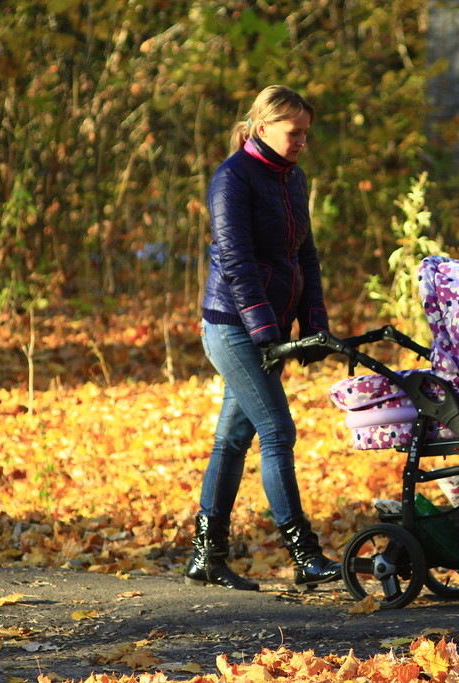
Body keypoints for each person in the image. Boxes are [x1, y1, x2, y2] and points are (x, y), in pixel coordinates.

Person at [185, 85, 339, 591]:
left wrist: (314, 324)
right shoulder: (232, 179)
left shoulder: (292, 179)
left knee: (232, 440)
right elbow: (235, 260)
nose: (301, 143)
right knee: (277, 430)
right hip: (232, 325)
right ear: (262, 127)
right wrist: (267, 331)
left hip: (267, 329)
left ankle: (206, 556)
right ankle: (305, 554)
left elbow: (305, 257)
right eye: (294, 133)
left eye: (305, 135)